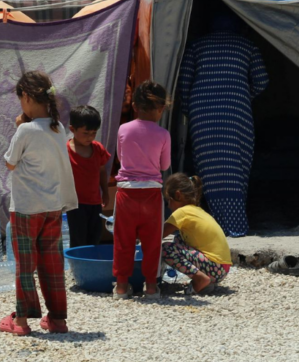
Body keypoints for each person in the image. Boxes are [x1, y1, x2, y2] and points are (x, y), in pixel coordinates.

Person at [1, 70, 78, 336]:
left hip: (25, 208)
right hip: (52, 207)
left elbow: (10, 163)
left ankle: (22, 321)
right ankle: (57, 319)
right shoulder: (59, 129)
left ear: (26, 97)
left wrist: (18, 127)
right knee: (52, 264)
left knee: (25, 265)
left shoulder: (25, 130)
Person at [178, 9, 268, 237]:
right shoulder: (247, 46)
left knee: (208, 166)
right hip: (236, 111)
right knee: (236, 165)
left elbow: (184, 83)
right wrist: (241, 94)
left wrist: (189, 109)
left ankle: (213, 223)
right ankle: (235, 222)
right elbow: (262, 80)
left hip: (202, 113)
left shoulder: (196, 46)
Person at [113, 81, 171, 298]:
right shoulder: (163, 134)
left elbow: (121, 159)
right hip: (151, 194)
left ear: (135, 106)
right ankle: (151, 287)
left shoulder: (123, 129)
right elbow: (164, 166)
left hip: (126, 193)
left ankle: (121, 287)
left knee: (123, 241)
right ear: (161, 108)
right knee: (152, 242)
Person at [162, 173, 231, 295]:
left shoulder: (182, 212)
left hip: (215, 267)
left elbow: (158, 235)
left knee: (165, 248)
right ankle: (206, 282)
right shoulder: (197, 210)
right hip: (222, 268)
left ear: (178, 195)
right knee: (178, 239)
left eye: (169, 200)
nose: (169, 206)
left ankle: (200, 279)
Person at [65, 105, 111, 248]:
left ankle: (90, 261)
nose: (90, 137)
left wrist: (105, 192)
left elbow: (102, 171)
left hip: (95, 203)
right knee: (78, 240)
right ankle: (76, 262)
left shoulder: (98, 149)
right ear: (72, 129)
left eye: (93, 133)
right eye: (85, 133)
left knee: (94, 238)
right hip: (74, 205)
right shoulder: (65, 151)